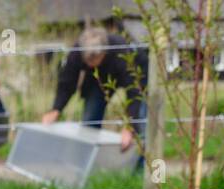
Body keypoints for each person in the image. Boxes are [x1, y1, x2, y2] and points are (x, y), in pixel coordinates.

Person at [41, 25, 148, 162]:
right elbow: (67, 82)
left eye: (94, 59)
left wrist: (130, 126)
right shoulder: (77, 52)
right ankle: (88, 163)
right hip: (98, 80)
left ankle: (139, 168)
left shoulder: (121, 52)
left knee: (141, 124)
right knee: (90, 120)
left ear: (104, 52)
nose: (90, 64)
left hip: (137, 76)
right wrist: (56, 109)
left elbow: (134, 91)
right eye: (87, 61)